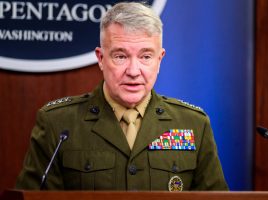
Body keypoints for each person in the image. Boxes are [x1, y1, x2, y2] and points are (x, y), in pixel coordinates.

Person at [16, 2, 228, 191]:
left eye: (145, 56)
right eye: (120, 56)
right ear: (100, 58)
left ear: (159, 59)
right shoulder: (58, 124)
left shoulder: (193, 124)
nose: (134, 70)